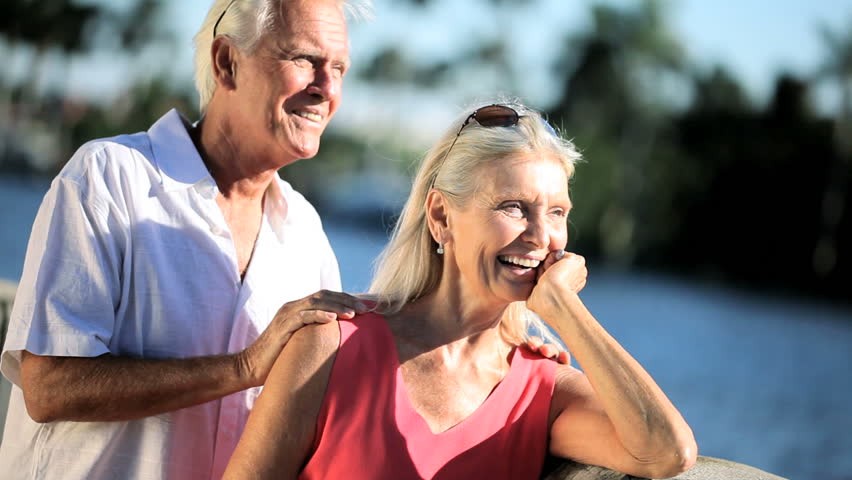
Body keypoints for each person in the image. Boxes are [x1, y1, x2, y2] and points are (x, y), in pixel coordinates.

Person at [223, 102, 699, 479]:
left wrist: (566, 312)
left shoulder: (543, 390)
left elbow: (668, 451)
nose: (540, 235)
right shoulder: (329, 346)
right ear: (441, 217)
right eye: (514, 207)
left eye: (557, 213)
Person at [0, 1, 372, 479]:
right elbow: (49, 388)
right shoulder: (109, 177)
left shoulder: (305, 233)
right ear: (226, 63)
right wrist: (243, 368)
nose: (328, 88)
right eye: (304, 59)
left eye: (339, 67)